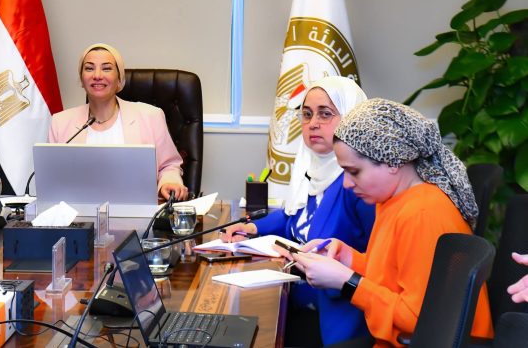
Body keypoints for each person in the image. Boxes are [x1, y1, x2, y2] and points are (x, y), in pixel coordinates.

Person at [287, 98, 493, 346]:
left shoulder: (422, 213)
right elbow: (394, 276)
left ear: (393, 162)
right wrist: (348, 258)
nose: (347, 184)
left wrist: (348, 282)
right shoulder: (391, 200)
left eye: (354, 171)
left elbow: (418, 320)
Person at [221, 76, 375, 346]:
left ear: (352, 118)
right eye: (306, 114)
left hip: (337, 317)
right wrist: (253, 227)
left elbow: (379, 264)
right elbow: (295, 216)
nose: (313, 123)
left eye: (325, 114)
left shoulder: (359, 182)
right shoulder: (310, 167)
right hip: (297, 296)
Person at [49, 43, 188, 201]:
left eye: (107, 68)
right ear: (82, 79)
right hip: (78, 212)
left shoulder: (151, 116)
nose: (97, 75)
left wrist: (169, 182)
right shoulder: (60, 122)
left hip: (137, 211)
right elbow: (52, 177)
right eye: (89, 68)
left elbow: (169, 165)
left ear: (119, 79)